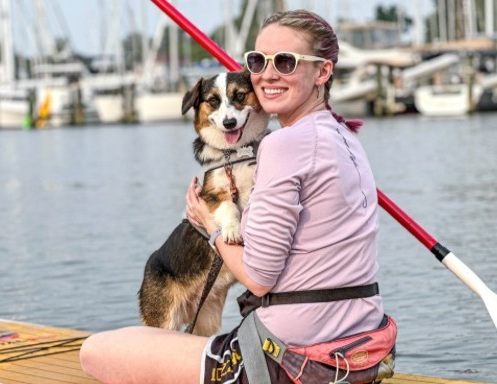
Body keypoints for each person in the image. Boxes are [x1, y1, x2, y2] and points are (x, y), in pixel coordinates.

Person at [80, 9, 395, 384]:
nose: (267, 74)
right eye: (258, 61)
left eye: (286, 61)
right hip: (359, 349)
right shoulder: (345, 137)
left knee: (96, 352)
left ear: (323, 72)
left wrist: (209, 224)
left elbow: (259, 278)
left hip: (288, 360)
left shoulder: (281, 146)